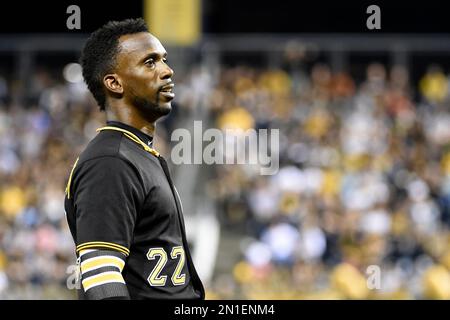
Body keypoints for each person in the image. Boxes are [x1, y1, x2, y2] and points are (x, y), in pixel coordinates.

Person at [64, 18, 204, 300]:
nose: (167, 71)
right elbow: (102, 276)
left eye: (164, 60)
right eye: (150, 62)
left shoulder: (137, 152)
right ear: (115, 83)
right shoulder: (110, 160)